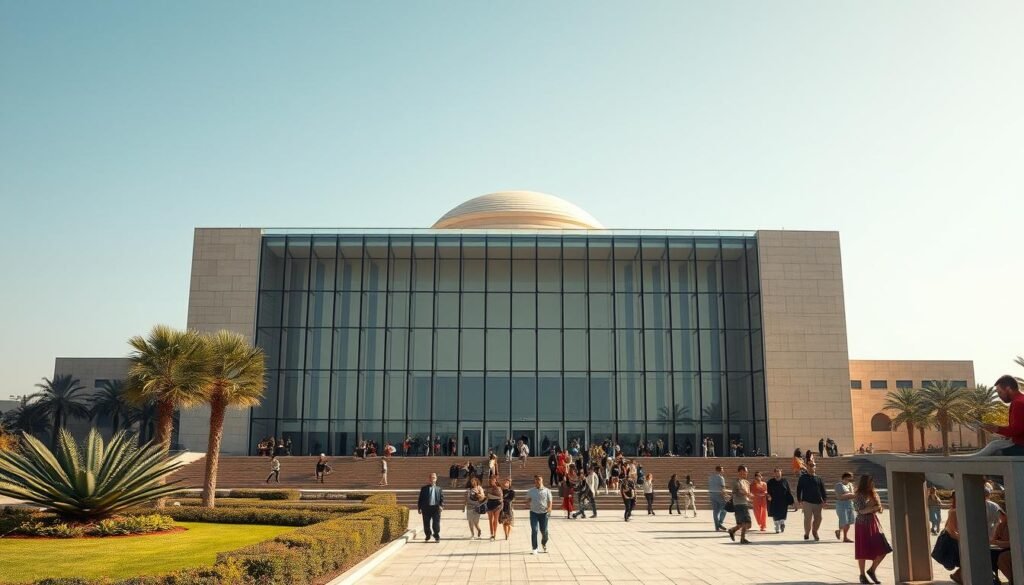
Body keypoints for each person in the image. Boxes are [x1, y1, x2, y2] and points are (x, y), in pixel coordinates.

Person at [854, 474, 891, 584]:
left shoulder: (873, 493)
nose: (872, 484)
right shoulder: (859, 495)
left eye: (872, 482)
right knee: (863, 550)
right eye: (870, 482)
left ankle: (871, 570)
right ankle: (862, 575)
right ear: (865, 483)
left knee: (884, 548)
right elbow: (861, 511)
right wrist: (873, 507)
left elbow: (879, 509)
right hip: (862, 524)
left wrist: (879, 507)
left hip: (873, 523)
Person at [979, 375, 1024, 456]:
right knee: (995, 444)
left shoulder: (1018, 403)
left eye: (1000, 392)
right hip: (1019, 444)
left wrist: (996, 429)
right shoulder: (1020, 400)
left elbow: (1016, 430)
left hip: (1021, 447)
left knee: (994, 451)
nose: (999, 396)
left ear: (1008, 389)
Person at [796, 461, 827, 541]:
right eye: (810, 465)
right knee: (808, 518)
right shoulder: (802, 477)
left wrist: (824, 500)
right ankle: (807, 533)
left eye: (813, 465)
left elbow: (823, 490)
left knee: (819, 518)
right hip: (807, 502)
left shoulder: (819, 478)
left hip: (818, 502)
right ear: (807, 467)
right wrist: (799, 499)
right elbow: (799, 489)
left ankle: (815, 531)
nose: (812, 467)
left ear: (815, 467)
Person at [526, 474, 552, 555]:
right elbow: (528, 499)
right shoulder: (531, 491)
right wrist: (528, 503)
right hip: (534, 513)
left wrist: (549, 509)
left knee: (544, 531)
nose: (537, 481)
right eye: (536, 480)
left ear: (542, 480)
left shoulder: (547, 490)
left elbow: (550, 501)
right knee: (534, 530)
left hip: (544, 514)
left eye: (539, 480)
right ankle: (535, 548)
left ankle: (544, 543)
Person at [727, 465, 752, 544]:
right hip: (739, 504)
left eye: (746, 471)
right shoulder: (736, 482)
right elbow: (741, 491)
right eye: (745, 471)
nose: (746, 473)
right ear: (740, 472)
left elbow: (748, 492)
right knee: (747, 523)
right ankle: (741, 538)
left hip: (744, 502)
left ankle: (733, 531)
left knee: (742, 523)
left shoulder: (746, 482)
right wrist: (748, 494)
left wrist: (749, 497)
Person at [417, 472, 444, 543]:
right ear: (429, 479)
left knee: (436, 524)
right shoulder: (424, 489)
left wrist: (441, 506)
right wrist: (419, 508)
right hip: (426, 509)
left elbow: (442, 499)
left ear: (436, 479)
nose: (432, 479)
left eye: (434, 478)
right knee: (426, 524)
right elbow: (420, 499)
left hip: (436, 509)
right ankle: (428, 535)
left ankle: (436, 535)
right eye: (431, 478)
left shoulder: (439, 489)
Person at [766, 467, 793, 533]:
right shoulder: (770, 482)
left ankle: (782, 523)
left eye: (779, 471)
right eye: (776, 472)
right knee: (775, 514)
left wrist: (791, 501)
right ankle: (777, 526)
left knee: (783, 514)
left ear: (781, 473)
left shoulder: (785, 481)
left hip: (783, 501)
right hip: (774, 501)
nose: (777, 473)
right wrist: (769, 496)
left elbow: (788, 491)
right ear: (774, 473)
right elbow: (767, 491)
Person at [990, 508, 1013, 585]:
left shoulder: (1013, 525)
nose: (1000, 517)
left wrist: (999, 542)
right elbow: (993, 540)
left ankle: (1012, 579)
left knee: (1003, 557)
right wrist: (999, 542)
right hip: (1001, 549)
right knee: (990, 554)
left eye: (1002, 515)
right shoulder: (1000, 526)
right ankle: (995, 577)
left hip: (1011, 549)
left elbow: (1012, 543)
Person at [834, 471, 856, 542]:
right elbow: (840, 497)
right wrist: (851, 495)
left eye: (850, 479)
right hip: (841, 505)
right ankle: (843, 535)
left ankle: (842, 535)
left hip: (850, 504)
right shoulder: (839, 485)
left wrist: (851, 495)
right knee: (844, 521)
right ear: (844, 478)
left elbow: (853, 495)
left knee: (849, 521)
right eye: (848, 479)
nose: (849, 481)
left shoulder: (850, 485)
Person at [708, 465, 727, 531]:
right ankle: (719, 523)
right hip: (719, 494)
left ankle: (717, 526)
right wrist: (725, 496)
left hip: (712, 494)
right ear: (720, 470)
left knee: (715, 511)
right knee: (725, 509)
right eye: (722, 469)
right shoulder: (721, 478)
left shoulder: (711, 477)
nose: (723, 471)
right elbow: (723, 488)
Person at [484, 476, 503, 540]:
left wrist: (491, 496)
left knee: (495, 520)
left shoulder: (499, 488)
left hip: (497, 505)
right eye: (491, 480)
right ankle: (491, 534)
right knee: (490, 520)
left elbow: (500, 497)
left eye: (493, 480)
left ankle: (495, 534)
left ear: (496, 480)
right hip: (489, 504)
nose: (492, 481)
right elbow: (486, 496)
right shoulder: (488, 488)